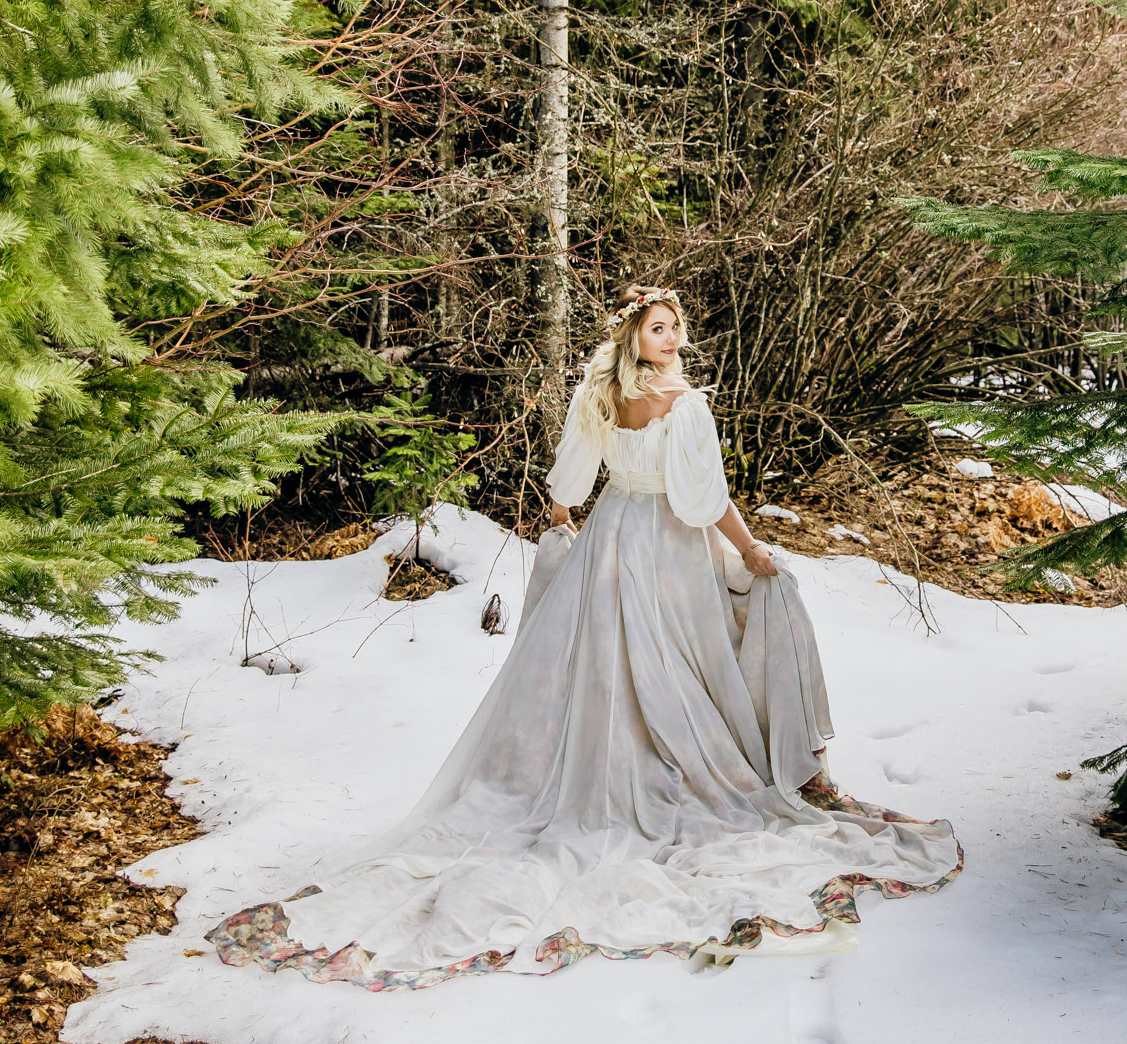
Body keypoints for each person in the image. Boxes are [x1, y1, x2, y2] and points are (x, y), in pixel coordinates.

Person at [210, 287, 961, 990]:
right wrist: (752, 549)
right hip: (667, 543)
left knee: (608, 662)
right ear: (635, 335)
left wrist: (569, 523)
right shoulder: (683, 404)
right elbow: (706, 501)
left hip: (611, 535)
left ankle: (614, 764)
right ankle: (667, 769)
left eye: (674, 327)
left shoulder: (595, 397)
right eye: (658, 328)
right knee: (672, 660)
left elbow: (566, 488)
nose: (671, 338)